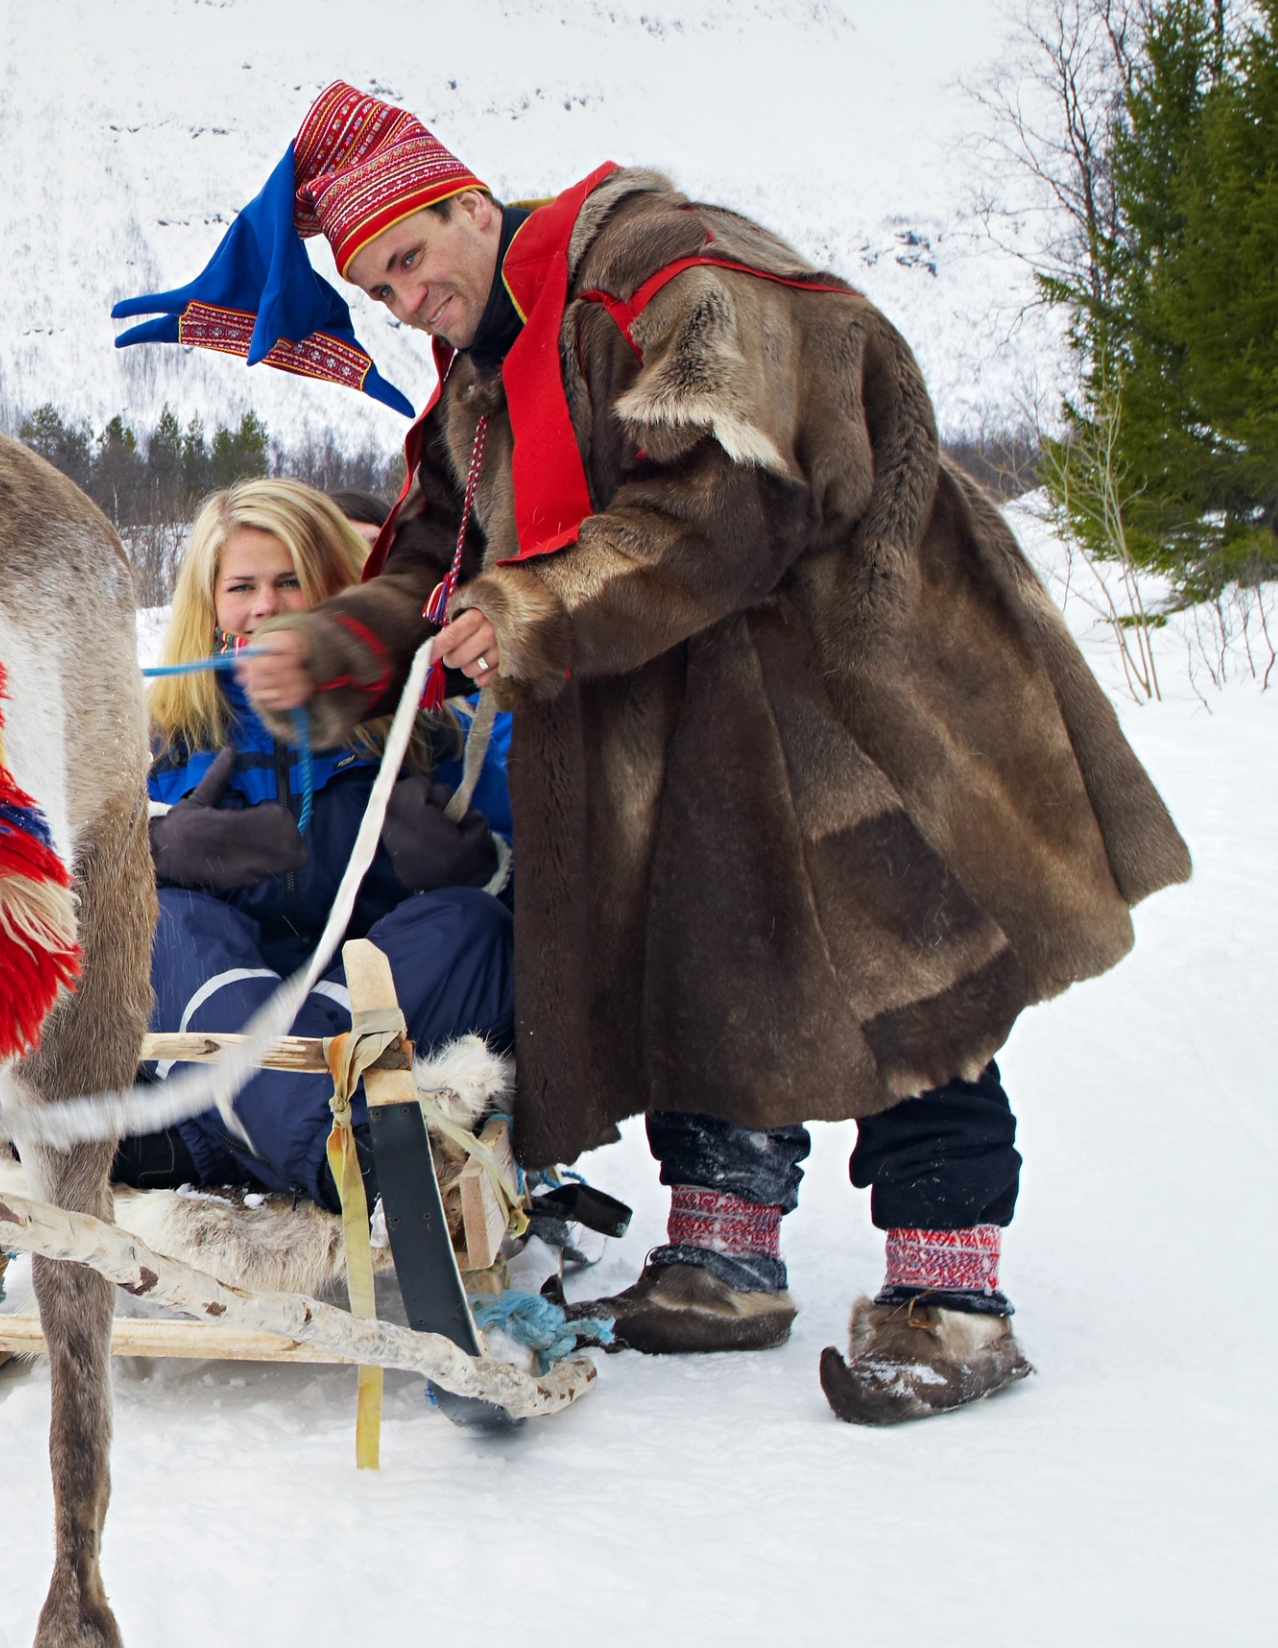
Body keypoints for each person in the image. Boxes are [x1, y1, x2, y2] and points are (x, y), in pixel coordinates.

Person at [126, 82, 1191, 1423]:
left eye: (410, 261)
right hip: (686, 696)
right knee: (705, 947)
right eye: (380, 292)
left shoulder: (656, 265)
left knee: (909, 971)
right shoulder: (485, 381)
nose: (407, 301)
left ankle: (949, 1297)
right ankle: (724, 1260)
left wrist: (525, 609)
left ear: (465, 204)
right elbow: (433, 559)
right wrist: (340, 645)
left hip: (847, 668)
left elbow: (732, 486)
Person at [126, 477, 515, 1202]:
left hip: (377, 998)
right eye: (241, 585)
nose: (265, 605)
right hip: (226, 998)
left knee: (476, 926)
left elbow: (529, 869)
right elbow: (63, 872)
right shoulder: (162, 737)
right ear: (209, 604)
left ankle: (235, 1136)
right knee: (162, 923)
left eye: (291, 581)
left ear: (338, 590)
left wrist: (477, 863)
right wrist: (155, 852)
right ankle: (340, 1155)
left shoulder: (432, 722)